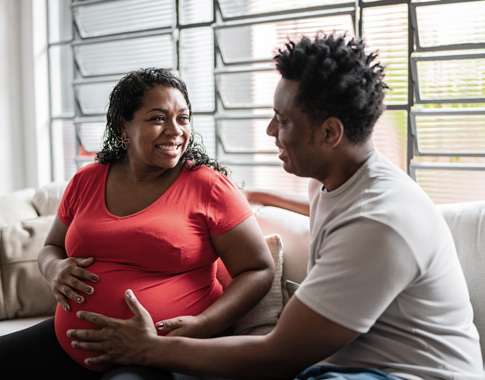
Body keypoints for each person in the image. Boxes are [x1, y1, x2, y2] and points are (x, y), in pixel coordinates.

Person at [66, 34, 483, 380]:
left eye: (282, 120)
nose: (270, 130)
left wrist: (149, 350)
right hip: (347, 368)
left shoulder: (379, 222)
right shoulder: (338, 179)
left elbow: (277, 355)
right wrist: (263, 198)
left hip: (406, 374)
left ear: (330, 133)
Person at [0, 68, 275, 379]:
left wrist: (204, 324)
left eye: (182, 118)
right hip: (70, 344)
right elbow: (52, 246)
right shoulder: (86, 180)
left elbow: (258, 269)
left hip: (164, 351)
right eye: (158, 118)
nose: (175, 130)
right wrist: (52, 269)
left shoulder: (208, 187)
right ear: (124, 125)